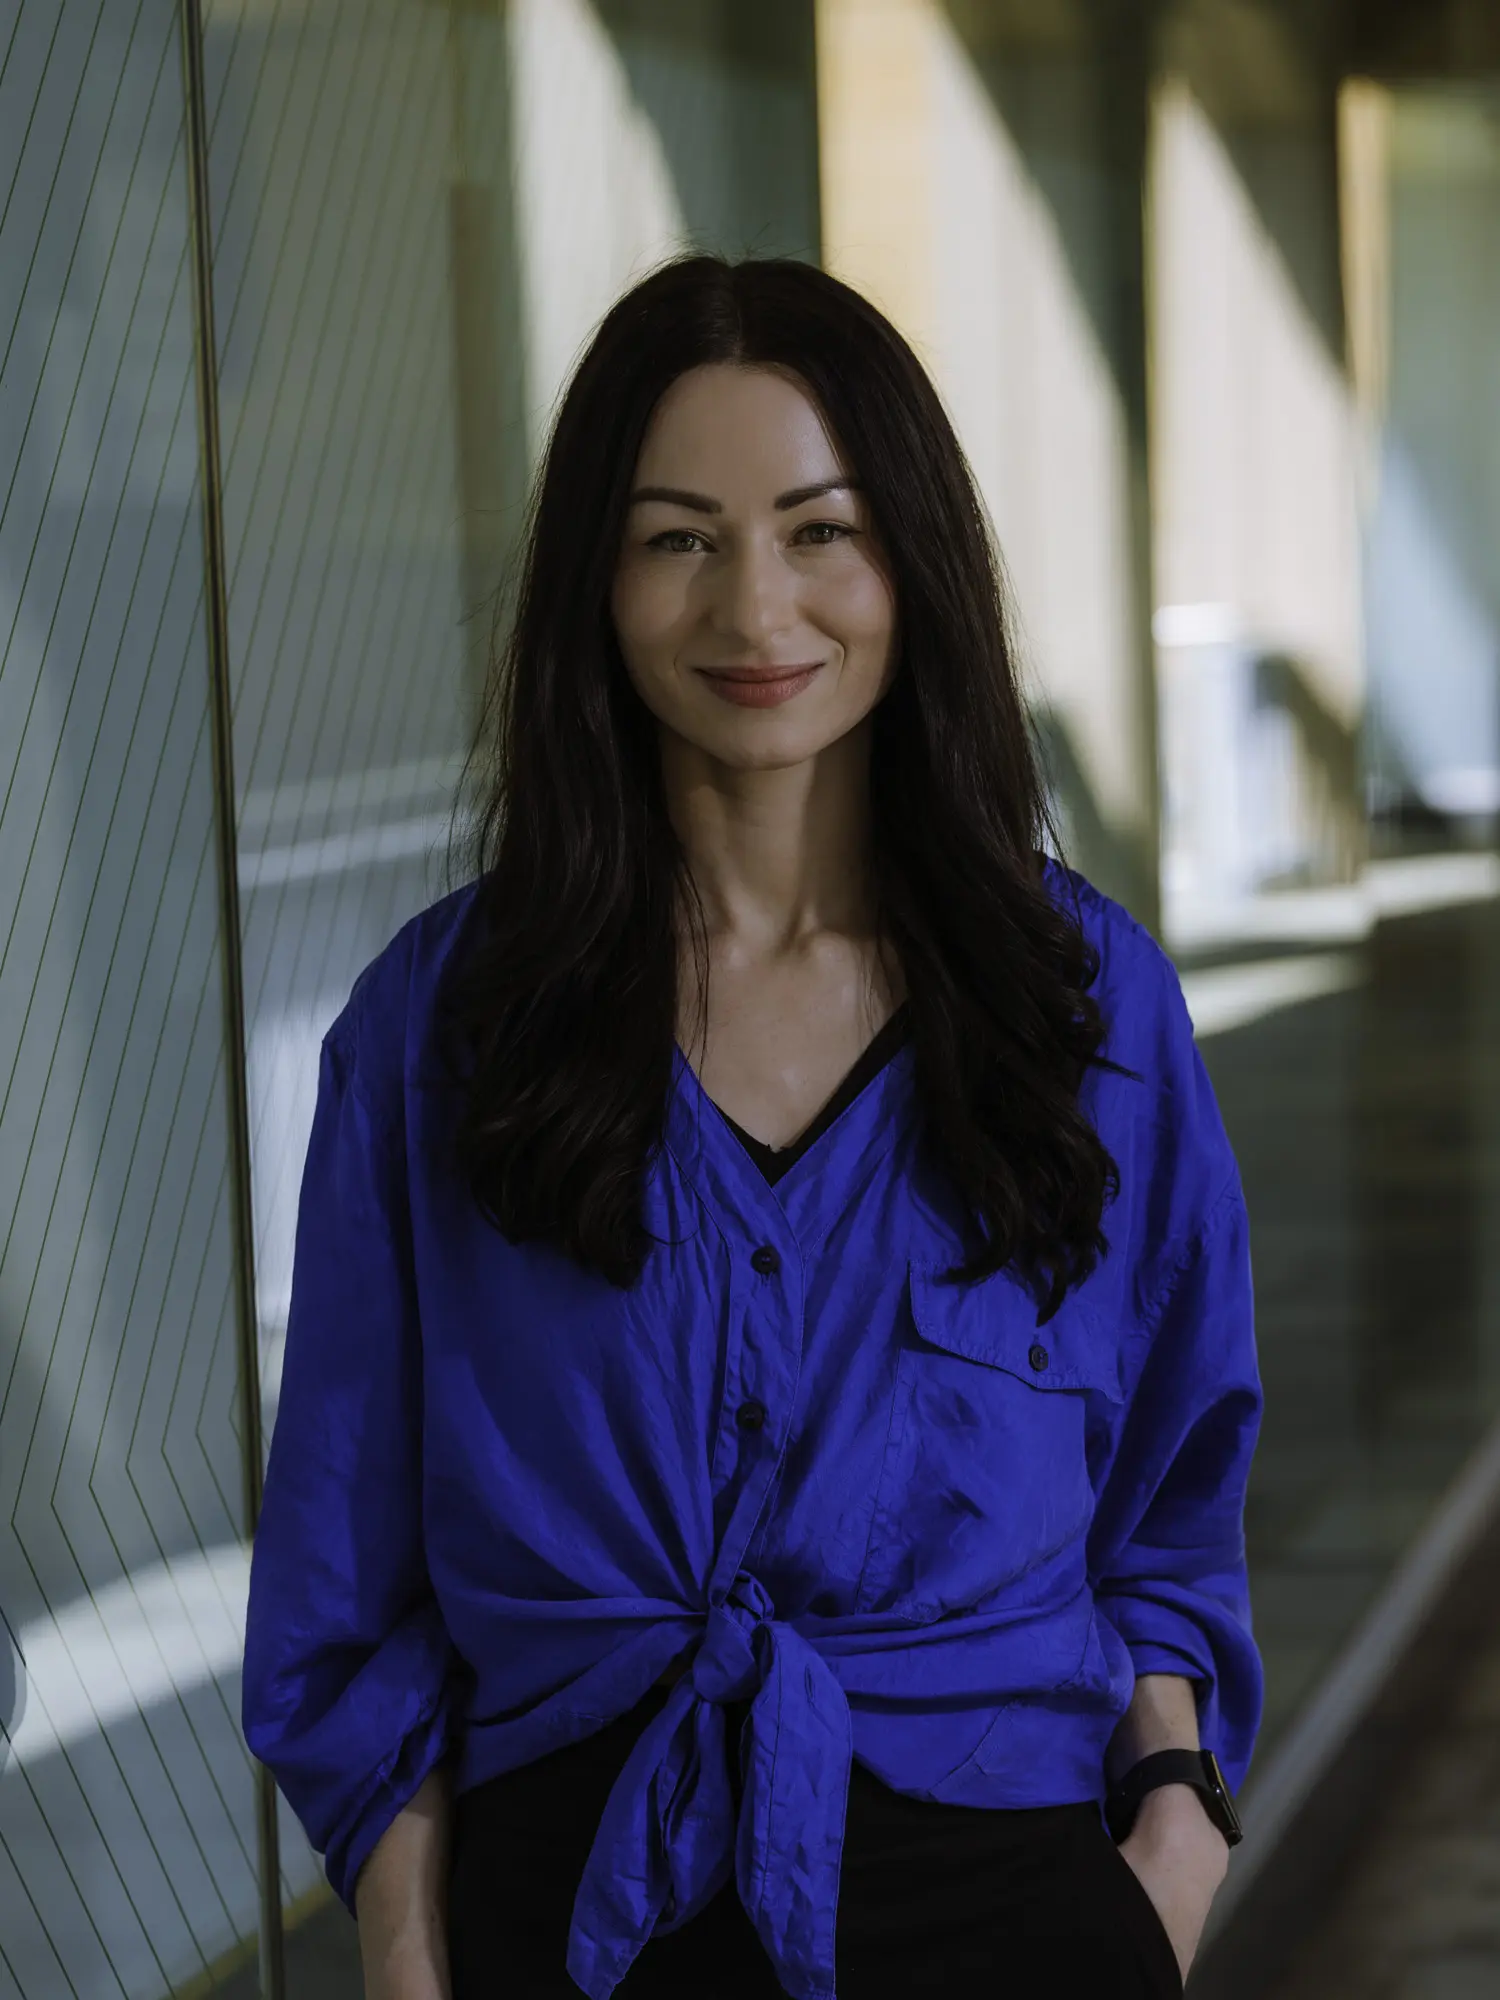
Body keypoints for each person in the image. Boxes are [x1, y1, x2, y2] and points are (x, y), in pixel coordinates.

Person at [241, 254, 1261, 2000]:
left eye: (817, 530)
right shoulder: (443, 1029)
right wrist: (406, 1957)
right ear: (597, 582)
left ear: (909, 560)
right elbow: (352, 1576)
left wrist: (1170, 1852)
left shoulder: (1089, 1011)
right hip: (575, 1926)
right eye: (679, 539)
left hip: (1014, 1918)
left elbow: (1165, 1512)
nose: (755, 612)